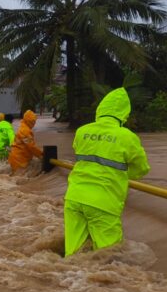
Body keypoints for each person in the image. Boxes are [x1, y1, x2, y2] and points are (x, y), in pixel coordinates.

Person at [64, 88, 150, 256]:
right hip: (103, 202)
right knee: (109, 256)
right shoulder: (127, 136)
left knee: (73, 253)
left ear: (101, 109)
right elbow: (142, 169)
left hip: (74, 197)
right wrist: (121, 175)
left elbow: (83, 155)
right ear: (124, 113)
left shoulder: (82, 131)